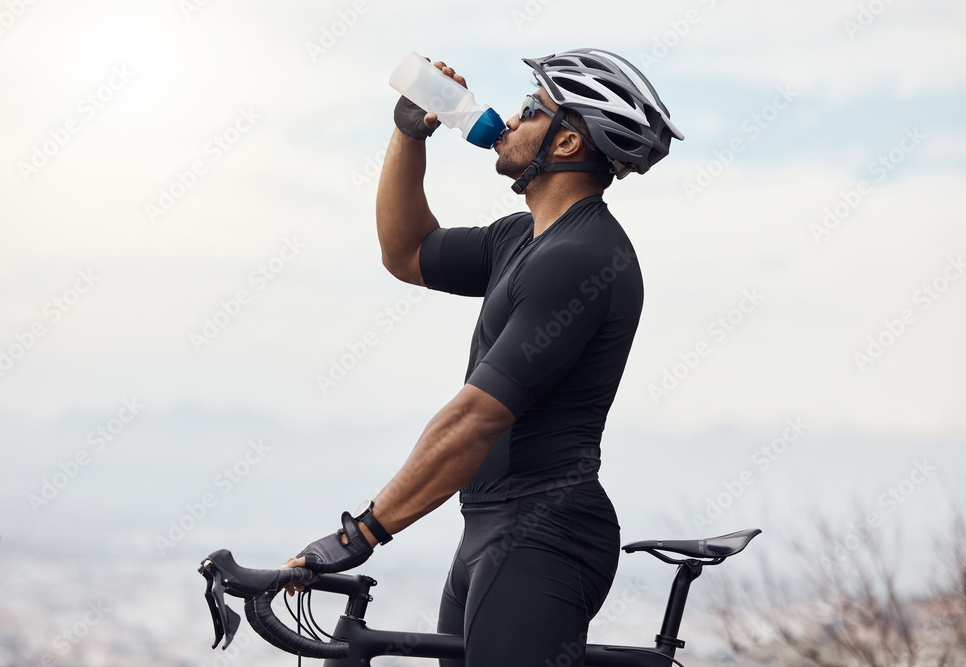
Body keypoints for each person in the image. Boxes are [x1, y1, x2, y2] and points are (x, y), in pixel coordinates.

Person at [284, 49, 683, 666]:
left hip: (545, 534)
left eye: (530, 109)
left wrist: (358, 534)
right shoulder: (518, 238)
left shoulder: (580, 257)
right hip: (488, 528)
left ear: (569, 142)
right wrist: (409, 133)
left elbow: (477, 418)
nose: (510, 118)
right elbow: (406, 251)